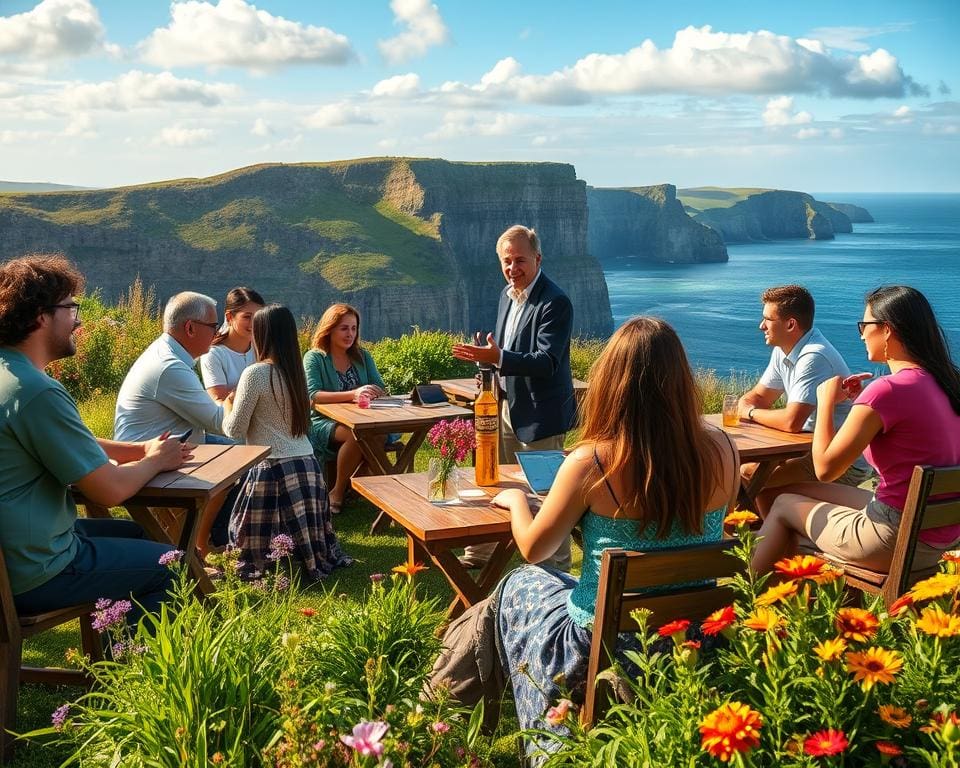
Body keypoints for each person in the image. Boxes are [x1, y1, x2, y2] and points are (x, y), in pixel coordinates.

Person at [478, 318, 738, 764]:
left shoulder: (592, 461)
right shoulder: (724, 450)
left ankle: (451, 704)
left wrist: (517, 501)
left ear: (611, 381)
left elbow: (535, 549)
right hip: (695, 638)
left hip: (605, 643)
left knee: (516, 584)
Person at [0, 255, 189, 626]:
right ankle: (129, 662)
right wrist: (156, 460)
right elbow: (109, 490)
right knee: (171, 566)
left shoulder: (11, 378)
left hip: (15, 550)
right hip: (33, 568)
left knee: (138, 534)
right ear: (40, 316)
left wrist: (141, 449)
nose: (78, 320)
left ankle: (111, 645)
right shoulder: (35, 391)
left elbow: (72, 441)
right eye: (71, 308)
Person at [752, 286, 960, 576]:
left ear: (886, 330)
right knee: (781, 489)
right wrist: (861, 402)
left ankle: (747, 595)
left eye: (864, 325)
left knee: (784, 504)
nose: (861, 335)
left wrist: (825, 400)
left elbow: (825, 469)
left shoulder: (886, 390)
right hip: (934, 535)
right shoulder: (947, 382)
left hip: (890, 538)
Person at [452, 225, 576, 571]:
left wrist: (498, 357)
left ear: (538, 258)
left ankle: (557, 568)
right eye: (506, 261)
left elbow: (547, 361)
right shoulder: (507, 295)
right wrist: (488, 368)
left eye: (520, 260)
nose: (512, 268)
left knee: (546, 495)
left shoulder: (555, 302)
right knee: (496, 482)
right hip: (505, 406)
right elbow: (505, 353)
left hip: (541, 415)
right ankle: (482, 553)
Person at [222, 305, 352, 580]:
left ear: (261, 335)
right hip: (307, 468)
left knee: (242, 533)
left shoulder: (256, 374)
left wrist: (227, 405)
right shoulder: (295, 373)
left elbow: (235, 429)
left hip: (271, 468)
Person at [114, 291, 233, 554]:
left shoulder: (167, 353)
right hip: (149, 455)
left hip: (169, 444)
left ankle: (204, 543)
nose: (218, 333)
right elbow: (219, 421)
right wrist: (241, 394)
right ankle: (204, 546)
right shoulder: (170, 366)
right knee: (245, 463)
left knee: (243, 453)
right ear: (190, 328)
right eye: (213, 326)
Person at [737, 285, 870, 515]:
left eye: (768, 319)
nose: (761, 326)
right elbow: (759, 396)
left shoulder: (814, 356)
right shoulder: (783, 350)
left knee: (752, 475)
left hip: (840, 462)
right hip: (808, 449)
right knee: (739, 469)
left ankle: (764, 532)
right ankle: (758, 529)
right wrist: (745, 405)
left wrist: (749, 412)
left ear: (790, 324)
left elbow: (792, 421)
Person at [304, 303, 388, 514]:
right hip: (324, 421)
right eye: (344, 328)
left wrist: (373, 391)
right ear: (329, 329)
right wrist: (353, 394)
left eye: (353, 328)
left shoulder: (362, 356)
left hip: (364, 418)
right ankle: (338, 491)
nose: (350, 334)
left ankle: (363, 484)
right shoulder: (315, 357)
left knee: (377, 432)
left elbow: (381, 387)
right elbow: (313, 396)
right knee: (356, 434)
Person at [200, 287, 265, 405]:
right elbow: (219, 401)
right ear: (229, 317)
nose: (254, 323)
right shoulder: (213, 354)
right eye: (247, 317)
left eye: (258, 317)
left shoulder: (262, 348)